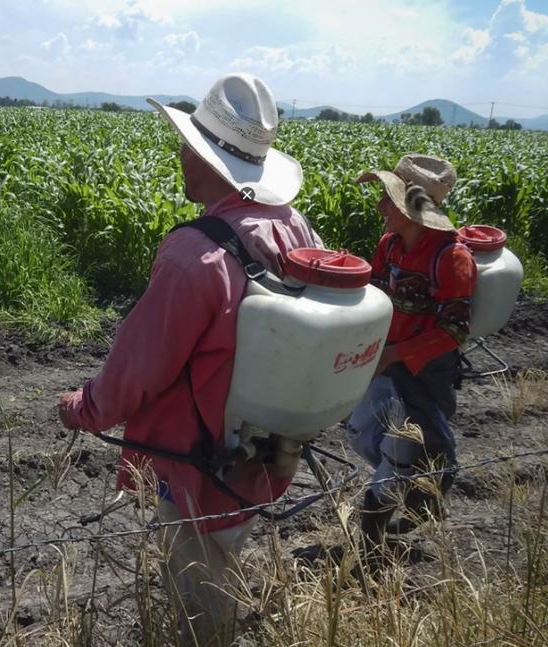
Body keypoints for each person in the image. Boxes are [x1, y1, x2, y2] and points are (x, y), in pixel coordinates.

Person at [56, 73, 323, 645]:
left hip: (197, 460)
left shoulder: (194, 255)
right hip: (265, 444)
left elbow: (138, 368)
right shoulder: (293, 225)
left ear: (208, 161)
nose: (179, 154)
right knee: (224, 557)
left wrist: (82, 408)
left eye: (188, 145)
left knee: (198, 595)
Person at [347, 154, 476, 557]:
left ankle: (371, 540)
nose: (380, 207)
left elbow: (454, 328)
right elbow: (377, 298)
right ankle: (422, 491)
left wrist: (397, 354)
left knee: (405, 446)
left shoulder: (452, 258)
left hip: (423, 371)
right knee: (361, 432)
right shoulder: (390, 246)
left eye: (388, 199)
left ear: (412, 207)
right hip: (386, 360)